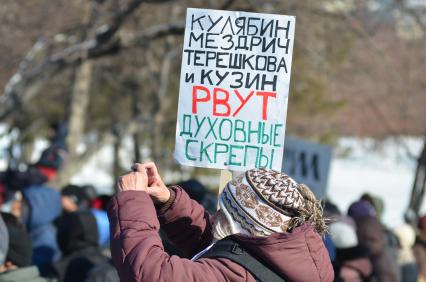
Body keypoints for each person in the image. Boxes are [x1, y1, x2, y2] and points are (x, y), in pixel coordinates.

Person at [107, 162, 334, 282]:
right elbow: (225, 246)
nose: (215, 218)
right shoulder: (286, 256)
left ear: (244, 223)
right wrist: (169, 201)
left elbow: (149, 272)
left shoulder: (232, 275)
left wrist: (132, 200)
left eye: (224, 214)